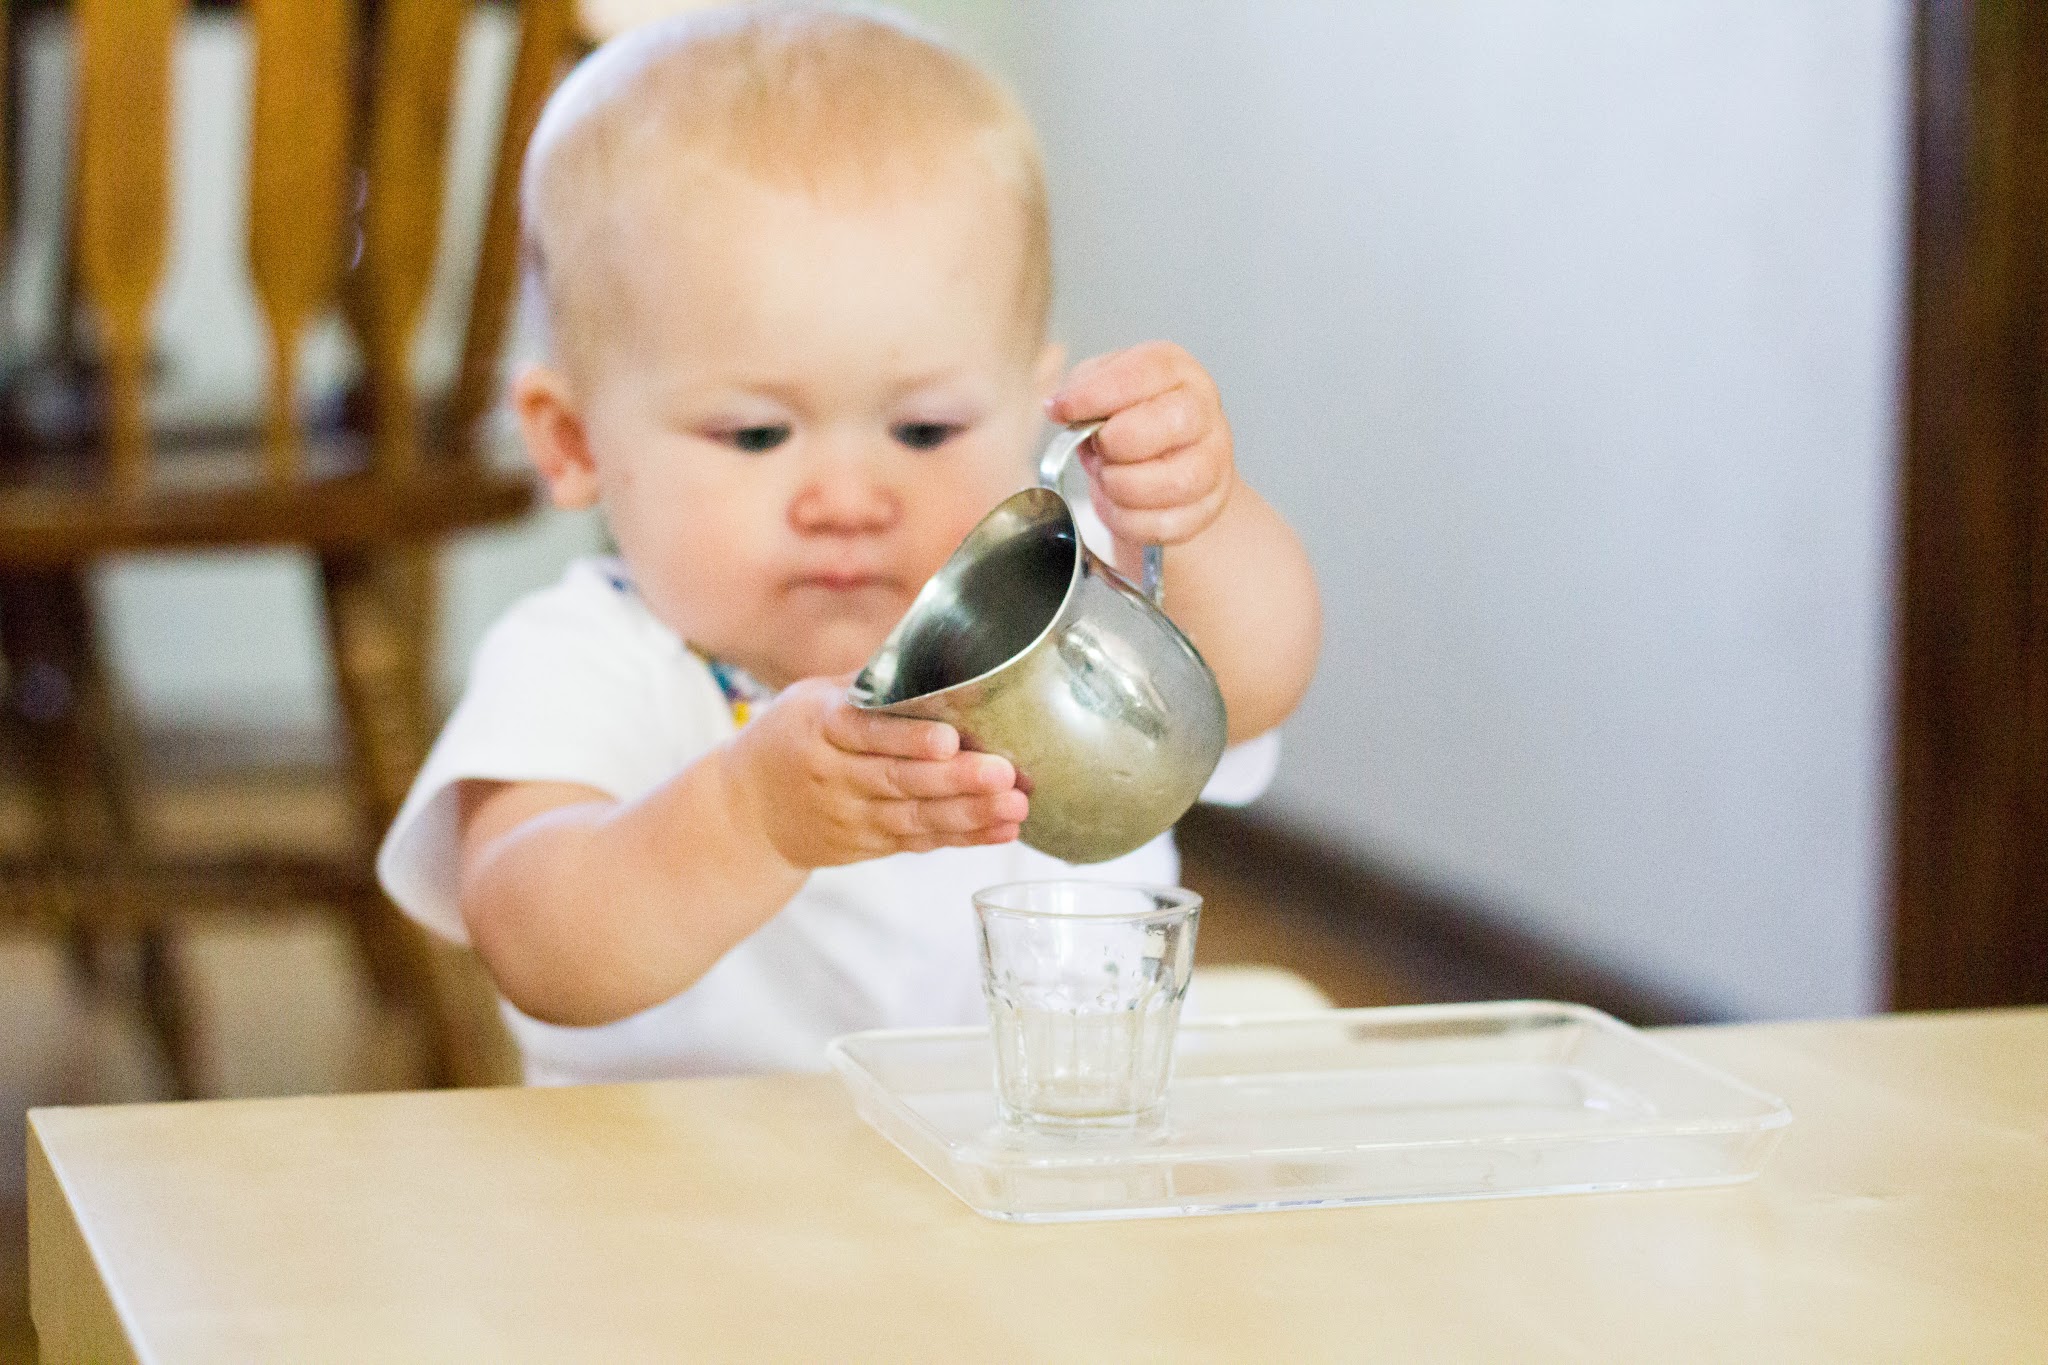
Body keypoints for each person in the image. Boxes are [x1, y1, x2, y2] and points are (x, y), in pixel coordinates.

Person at [377, 3, 1321, 1085]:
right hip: (690, 1220)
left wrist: (1195, 515)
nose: (844, 496)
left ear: (1027, 402)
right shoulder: (589, 661)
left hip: (1051, 1186)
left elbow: (1249, 683)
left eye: (923, 429)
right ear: (572, 439)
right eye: (756, 433)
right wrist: (748, 816)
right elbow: (538, 945)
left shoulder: (1069, 610)